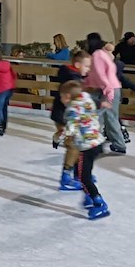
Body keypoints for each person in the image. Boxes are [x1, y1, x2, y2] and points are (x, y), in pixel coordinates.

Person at [59, 80, 109, 220]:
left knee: (83, 177)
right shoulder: (86, 99)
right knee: (84, 171)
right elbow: (95, 103)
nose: (61, 100)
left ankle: (98, 203)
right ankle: (88, 198)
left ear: (68, 96)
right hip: (97, 143)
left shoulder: (71, 110)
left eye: (61, 96)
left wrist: (59, 137)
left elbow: (71, 128)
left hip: (86, 146)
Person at [50, 50, 92, 190]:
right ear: (78, 64)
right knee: (74, 145)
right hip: (64, 116)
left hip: (65, 115)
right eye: (87, 66)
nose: (89, 69)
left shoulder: (73, 76)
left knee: (77, 144)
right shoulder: (72, 80)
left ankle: (77, 173)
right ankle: (66, 177)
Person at [84, 33, 127, 154]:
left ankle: (118, 144)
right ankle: (102, 142)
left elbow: (100, 74)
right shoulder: (101, 54)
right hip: (106, 88)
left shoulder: (97, 55)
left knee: (106, 116)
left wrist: (107, 90)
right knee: (103, 117)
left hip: (107, 89)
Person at [103, 42, 135, 143]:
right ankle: (110, 132)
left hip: (113, 95)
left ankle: (121, 133)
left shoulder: (113, 67)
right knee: (110, 116)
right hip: (107, 95)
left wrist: (134, 86)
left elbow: (123, 79)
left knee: (113, 116)